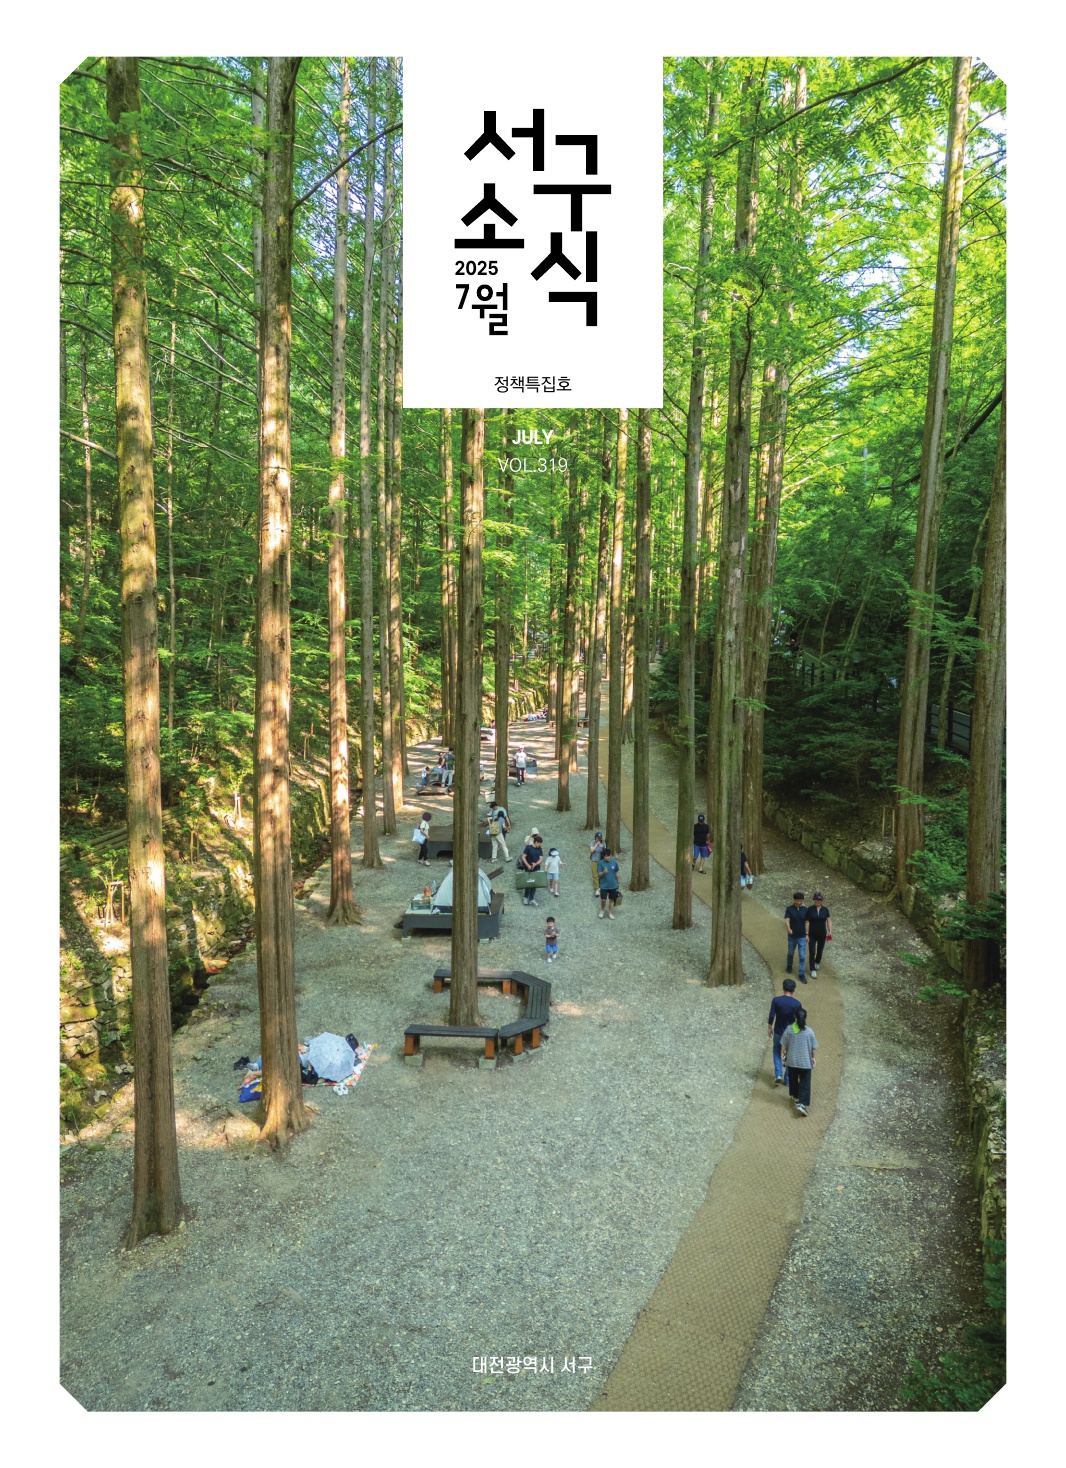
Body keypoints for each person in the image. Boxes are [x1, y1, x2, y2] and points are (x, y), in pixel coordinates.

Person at [780, 1006, 818, 1115]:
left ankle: (795, 1097)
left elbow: (784, 1045)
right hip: (805, 1062)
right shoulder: (809, 1032)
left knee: (793, 1080)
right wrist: (813, 1058)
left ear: (795, 1017)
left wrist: (783, 1055)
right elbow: (813, 1048)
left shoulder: (789, 1029)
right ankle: (802, 1104)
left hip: (792, 1061)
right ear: (805, 1018)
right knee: (805, 1083)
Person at [767, 977, 801, 1086]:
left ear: (783, 988)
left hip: (778, 1031)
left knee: (776, 1051)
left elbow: (772, 1015)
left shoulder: (776, 1000)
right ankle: (788, 1079)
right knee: (790, 1055)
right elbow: (799, 1020)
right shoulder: (797, 1004)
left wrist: (770, 1026)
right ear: (793, 990)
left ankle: (778, 1074)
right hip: (791, 1033)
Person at [784, 891, 809, 982]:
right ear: (794, 900)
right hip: (792, 936)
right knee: (790, 953)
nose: (799, 902)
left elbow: (807, 922)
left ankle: (801, 974)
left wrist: (807, 934)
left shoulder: (805, 910)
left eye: (801, 901)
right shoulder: (789, 909)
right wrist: (789, 928)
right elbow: (787, 919)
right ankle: (789, 965)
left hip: (802, 936)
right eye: (798, 901)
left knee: (802, 956)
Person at [806, 891, 832, 977]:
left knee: (820, 950)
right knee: (812, 951)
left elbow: (829, 920)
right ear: (813, 900)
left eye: (819, 900)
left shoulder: (825, 909)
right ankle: (812, 969)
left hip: (822, 933)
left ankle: (817, 961)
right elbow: (807, 922)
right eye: (816, 899)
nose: (818, 901)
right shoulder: (810, 909)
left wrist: (830, 931)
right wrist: (806, 934)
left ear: (822, 900)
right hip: (812, 934)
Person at [519, 833, 543, 905]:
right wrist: (527, 865)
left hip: (536, 868)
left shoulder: (539, 849)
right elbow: (523, 857)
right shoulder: (528, 848)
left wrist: (536, 864)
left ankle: (532, 898)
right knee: (528, 883)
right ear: (536, 842)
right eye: (540, 843)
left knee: (534, 884)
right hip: (528, 868)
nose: (540, 845)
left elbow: (541, 858)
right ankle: (526, 897)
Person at [597, 847, 621, 918]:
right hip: (604, 885)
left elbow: (617, 872)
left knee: (612, 900)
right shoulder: (600, 863)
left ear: (610, 855)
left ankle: (610, 913)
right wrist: (603, 872)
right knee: (603, 900)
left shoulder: (614, 862)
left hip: (613, 885)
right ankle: (602, 910)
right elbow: (598, 874)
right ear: (603, 856)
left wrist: (618, 881)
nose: (607, 857)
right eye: (605, 856)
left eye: (608, 856)